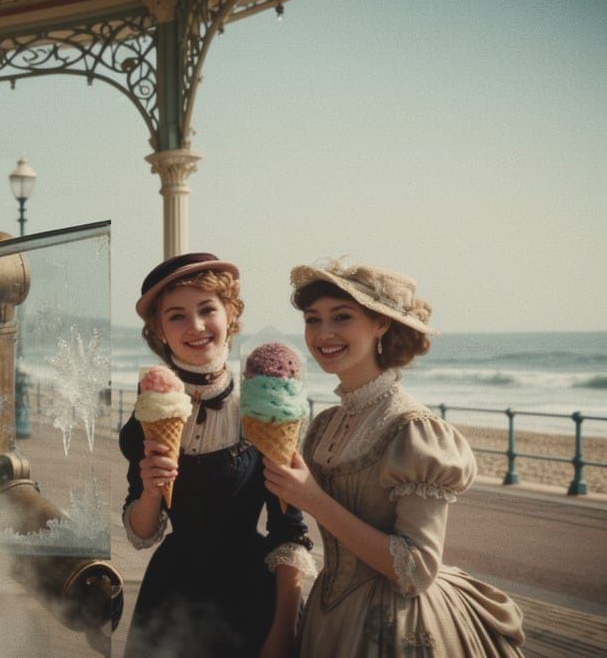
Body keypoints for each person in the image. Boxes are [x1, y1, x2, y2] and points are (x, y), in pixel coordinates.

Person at [264, 259, 525, 656]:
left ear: (381, 323)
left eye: (342, 317)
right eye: (313, 320)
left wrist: (313, 500)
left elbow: (417, 570)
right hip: (326, 620)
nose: (323, 333)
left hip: (395, 624)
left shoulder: (415, 431)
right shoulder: (323, 425)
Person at [119, 252, 314, 658]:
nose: (195, 326)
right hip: (170, 598)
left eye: (207, 309)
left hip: (251, 598)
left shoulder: (263, 406)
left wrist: (282, 633)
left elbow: (289, 532)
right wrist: (152, 490)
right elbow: (141, 533)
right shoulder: (149, 413)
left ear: (231, 314)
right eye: (176, 316)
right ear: (159, 330)